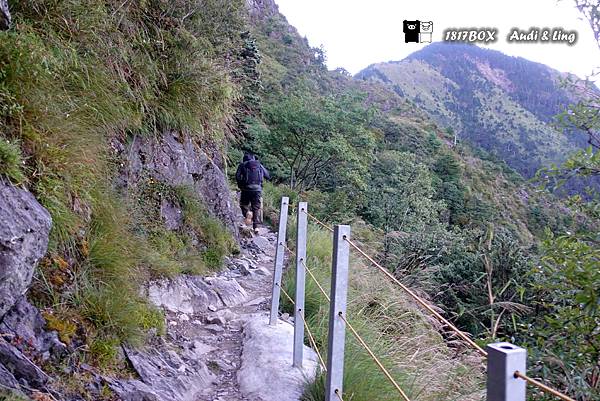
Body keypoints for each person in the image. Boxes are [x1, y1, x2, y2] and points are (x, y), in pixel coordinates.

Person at [236, 152, 270, 233]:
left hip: (246, 189)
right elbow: (268, 176)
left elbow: (237, 176)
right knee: (255, 208)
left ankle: (247, 213)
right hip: (257, 189)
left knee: (244, 204)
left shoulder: (242, 165)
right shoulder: (259, 165)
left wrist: (241, 185)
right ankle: (256, 227)